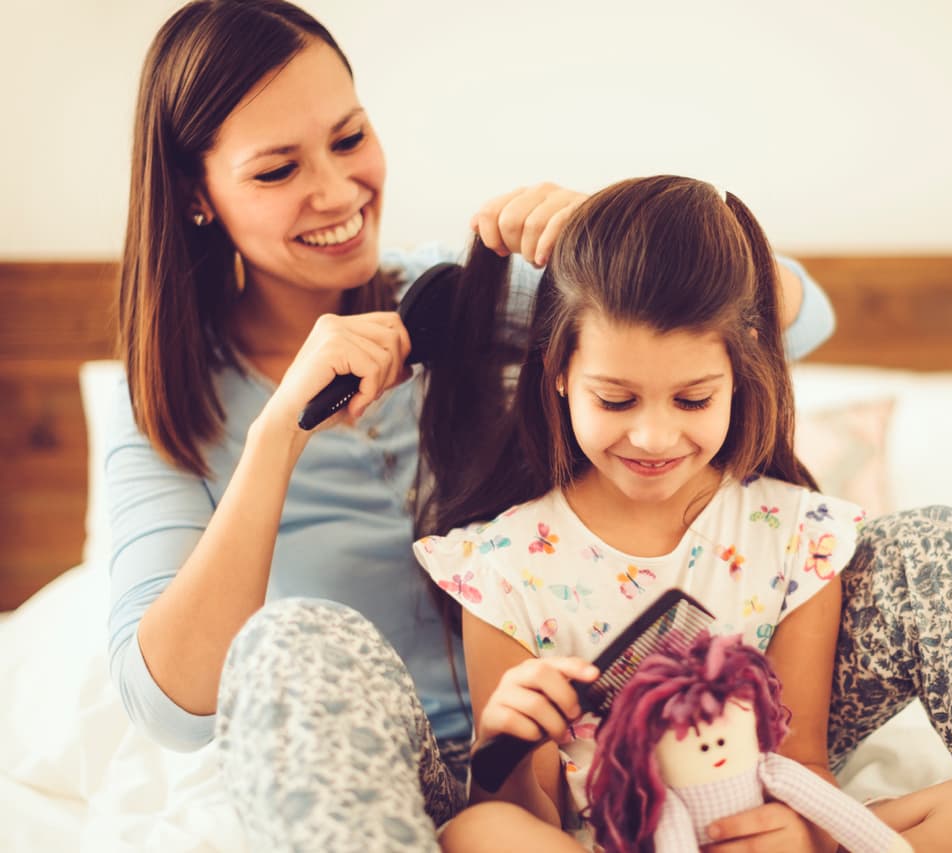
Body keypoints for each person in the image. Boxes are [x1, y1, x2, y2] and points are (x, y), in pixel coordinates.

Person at [107, 1, 836, 850]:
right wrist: (279, 434)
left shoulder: (467, 294)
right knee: (291, 637)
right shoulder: (169, 397)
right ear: (197, 193)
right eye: (277, 171)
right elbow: (170, 705)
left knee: (929, 552)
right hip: (377, 769)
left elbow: (798, 314)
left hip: (598, 749)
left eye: (349, 139)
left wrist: (613, 235)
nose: (338, 191)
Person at [415, 175, 952, 852]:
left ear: (739, 375)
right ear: (560, 373)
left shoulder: (794, 538)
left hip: (747, 833)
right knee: (480, 832)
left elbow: (801, 760)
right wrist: (503, 744)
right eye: (616, 400)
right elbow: (531, 818)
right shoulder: (501, 566)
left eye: (691, 400)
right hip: (602, 841)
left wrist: (800, 834)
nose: (655, 438)